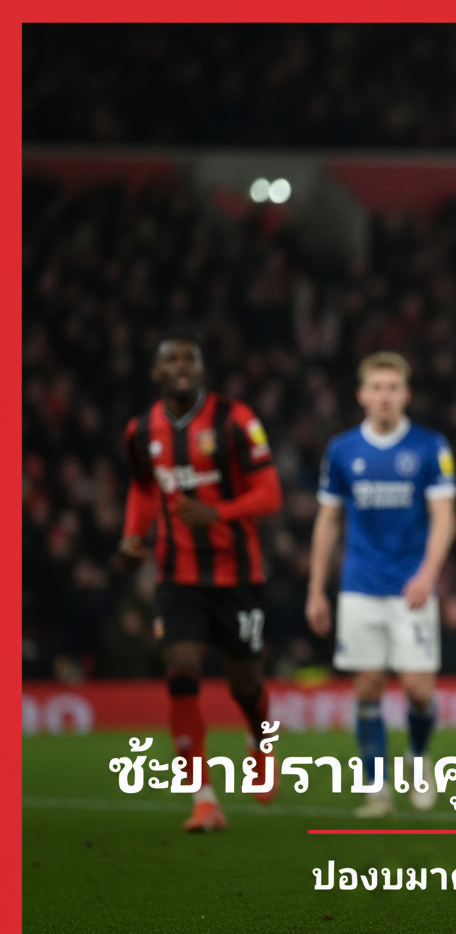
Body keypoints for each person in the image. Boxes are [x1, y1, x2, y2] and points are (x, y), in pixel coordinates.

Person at [120, 335, 283, 832]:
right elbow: (144, 487)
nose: (181, 366)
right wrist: (133, 535)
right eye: (170, 359)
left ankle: (261, 741)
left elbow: (270, 494)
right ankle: (204, 799)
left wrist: (218, 512)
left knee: (245, 684)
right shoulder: (140, 431)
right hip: (178, 576)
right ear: (156, 372)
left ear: (201, 368)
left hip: (238, 575)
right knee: (181, 673)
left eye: (189, 358)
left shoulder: (235, 419)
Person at [306, 352, 456, 818]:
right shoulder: (342, 450)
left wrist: (427, 575)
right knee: (368, 687)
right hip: (359, 585)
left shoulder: (430, 447)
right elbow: (328, 520)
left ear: (406, 394)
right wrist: (316, 589)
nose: (385, 396)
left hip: (411, 587)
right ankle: (377, 790)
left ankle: (418, 757)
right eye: (377, 388)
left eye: (393, 388)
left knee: (418, 690)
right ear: (362, 395)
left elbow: (443, 517)